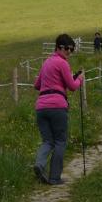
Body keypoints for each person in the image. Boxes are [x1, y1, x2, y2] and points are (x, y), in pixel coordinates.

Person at [32, 34, 83, 185]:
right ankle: (55, 177)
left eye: (72, 49)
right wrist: (79, 79)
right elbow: (72, 87)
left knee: (48, 141)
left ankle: (39, 164)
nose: (69, 52)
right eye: (67, 49)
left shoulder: (46, 62)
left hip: (41, 107)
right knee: (60, 141)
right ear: (59, 47)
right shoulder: (62, 63)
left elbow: (36, 85)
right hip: (58, 106)